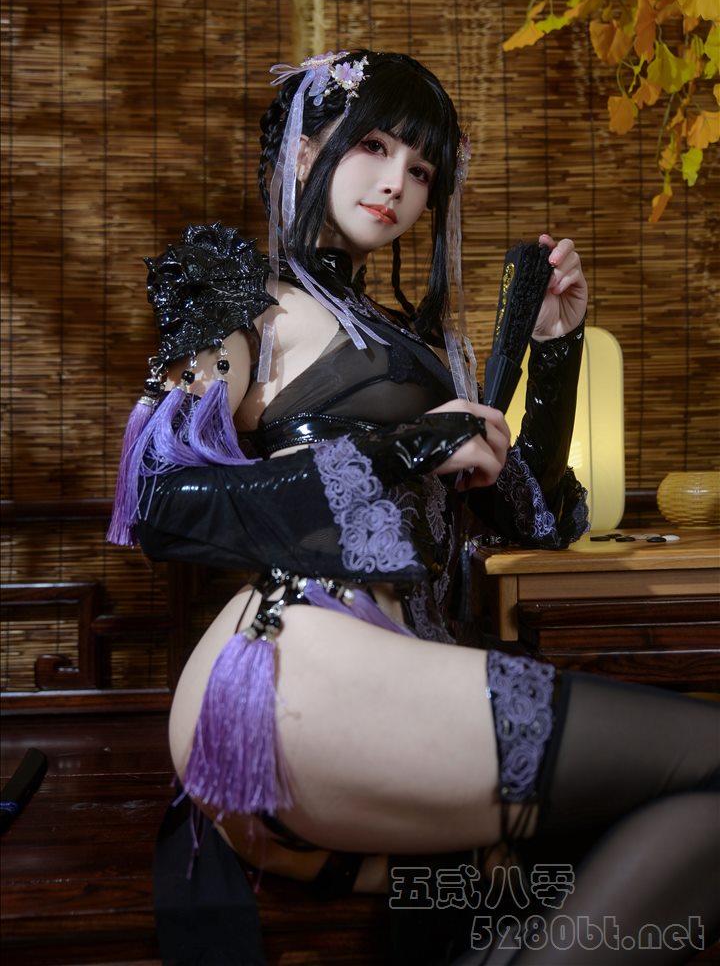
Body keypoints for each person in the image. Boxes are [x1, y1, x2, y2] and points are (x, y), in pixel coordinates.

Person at [109, 51, 719, 964]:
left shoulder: (418, 344)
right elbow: (158, 498)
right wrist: (406, 446)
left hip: (396, 698)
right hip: (294, 670)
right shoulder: (250, 302)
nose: (398, 182)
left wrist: (555, 351)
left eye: (423, 168)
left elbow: (535, 522)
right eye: (375, 147)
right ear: (306, 152)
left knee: (664, 835)